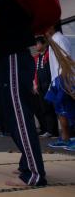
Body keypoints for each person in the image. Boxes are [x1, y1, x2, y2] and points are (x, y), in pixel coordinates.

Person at [0, 0, 46, 186]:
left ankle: (34, 174)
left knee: (19, 115)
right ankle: (27, 164)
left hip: (14, 58)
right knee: (12, 115)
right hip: (9, 60)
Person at [45, 23, 74, 151]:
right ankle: (65, 138)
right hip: (55, 79)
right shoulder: (53, 41)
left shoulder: (60, 39)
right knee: (60, 110)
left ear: (51, 26)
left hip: (64, 78)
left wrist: (63, 79)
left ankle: (70, 138)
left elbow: (66, 59)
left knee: (69, 110)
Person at [33, 36, 58, 138]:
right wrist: (35, 84)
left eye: (37, 43)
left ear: (44, 44)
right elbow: (35, 73)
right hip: (41, 86)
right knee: (45, 108)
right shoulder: (37, 57)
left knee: (54, 108)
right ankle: (49, 130)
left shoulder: (49, 54)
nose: (36, 46)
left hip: (50, 84)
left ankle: (56, 131)